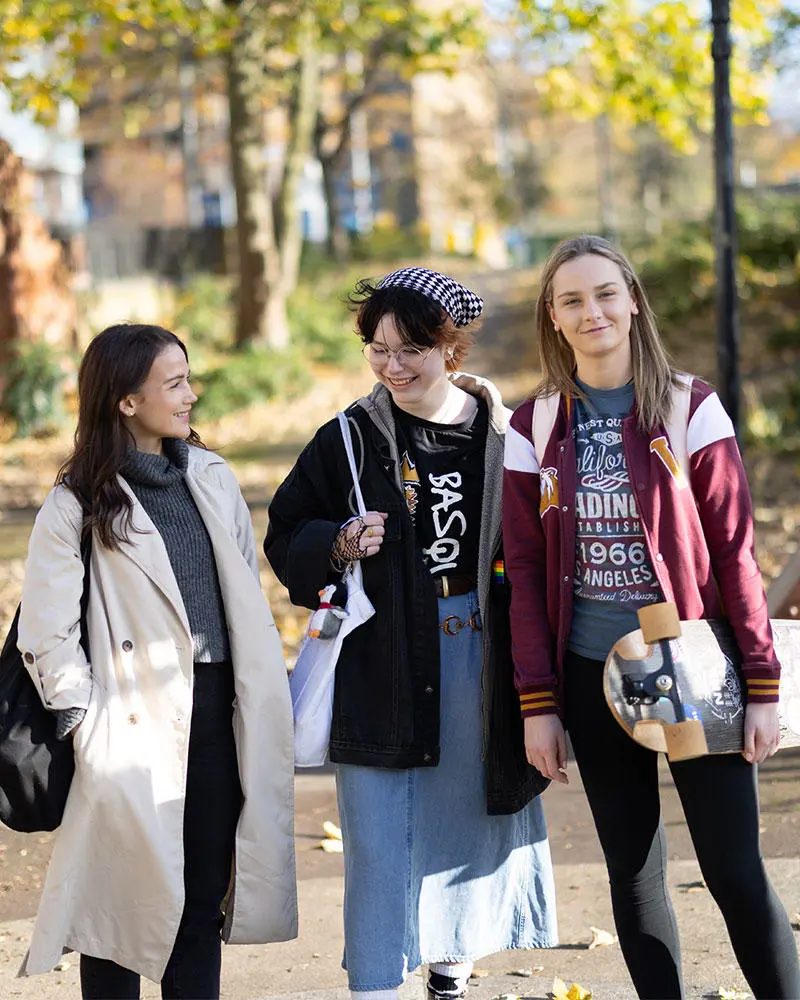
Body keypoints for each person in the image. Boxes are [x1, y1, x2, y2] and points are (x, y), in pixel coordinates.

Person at [502, 234, 800, 999]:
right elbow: (526, 573)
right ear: (554, 317)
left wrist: (763, 685)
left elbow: (735, 550)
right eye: (572, 299)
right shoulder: (532, 426)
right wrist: (538, 704)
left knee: (734, 872)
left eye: (605, 293)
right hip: (590, 677)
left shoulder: (690, 405)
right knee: (633, 879)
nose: (591, 310)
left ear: (633, 300)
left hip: (693, 667)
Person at [265, 267, 557, 1000]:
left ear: (450, 348)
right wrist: (337, 542)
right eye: (378, 348)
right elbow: (284, 532)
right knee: (380, 836)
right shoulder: (348, 438)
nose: (391, 365)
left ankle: (449, 972)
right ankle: (373, 985)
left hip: (483, 656)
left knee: (465, 815)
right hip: (383, 660)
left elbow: (547, 543)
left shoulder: (508, 434)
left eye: (410, 349)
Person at [17, 323, 297, 999]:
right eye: (174, 384)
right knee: (116, 917)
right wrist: (86, 720)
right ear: (125, 401)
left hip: (215, 714)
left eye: (188, 377)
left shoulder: (211, 477)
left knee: (200, 905)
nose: (191, 395)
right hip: (129, 725)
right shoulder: (76, 503)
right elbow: (46, 630)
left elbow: (239, 596)